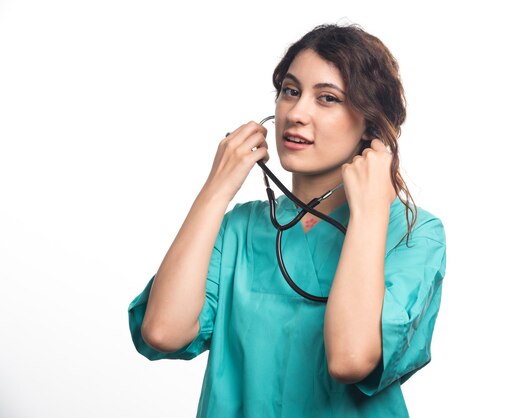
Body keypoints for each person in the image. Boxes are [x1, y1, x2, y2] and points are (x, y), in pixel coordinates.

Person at [128, 23, 447, 417]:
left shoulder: (414, 234)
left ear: (370, 125)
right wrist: (216, 189)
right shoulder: (239, 229)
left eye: (327, 98)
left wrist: (370, 212)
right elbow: (163, 332)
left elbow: (350, 358)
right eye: (290, 91)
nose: (296, 113)